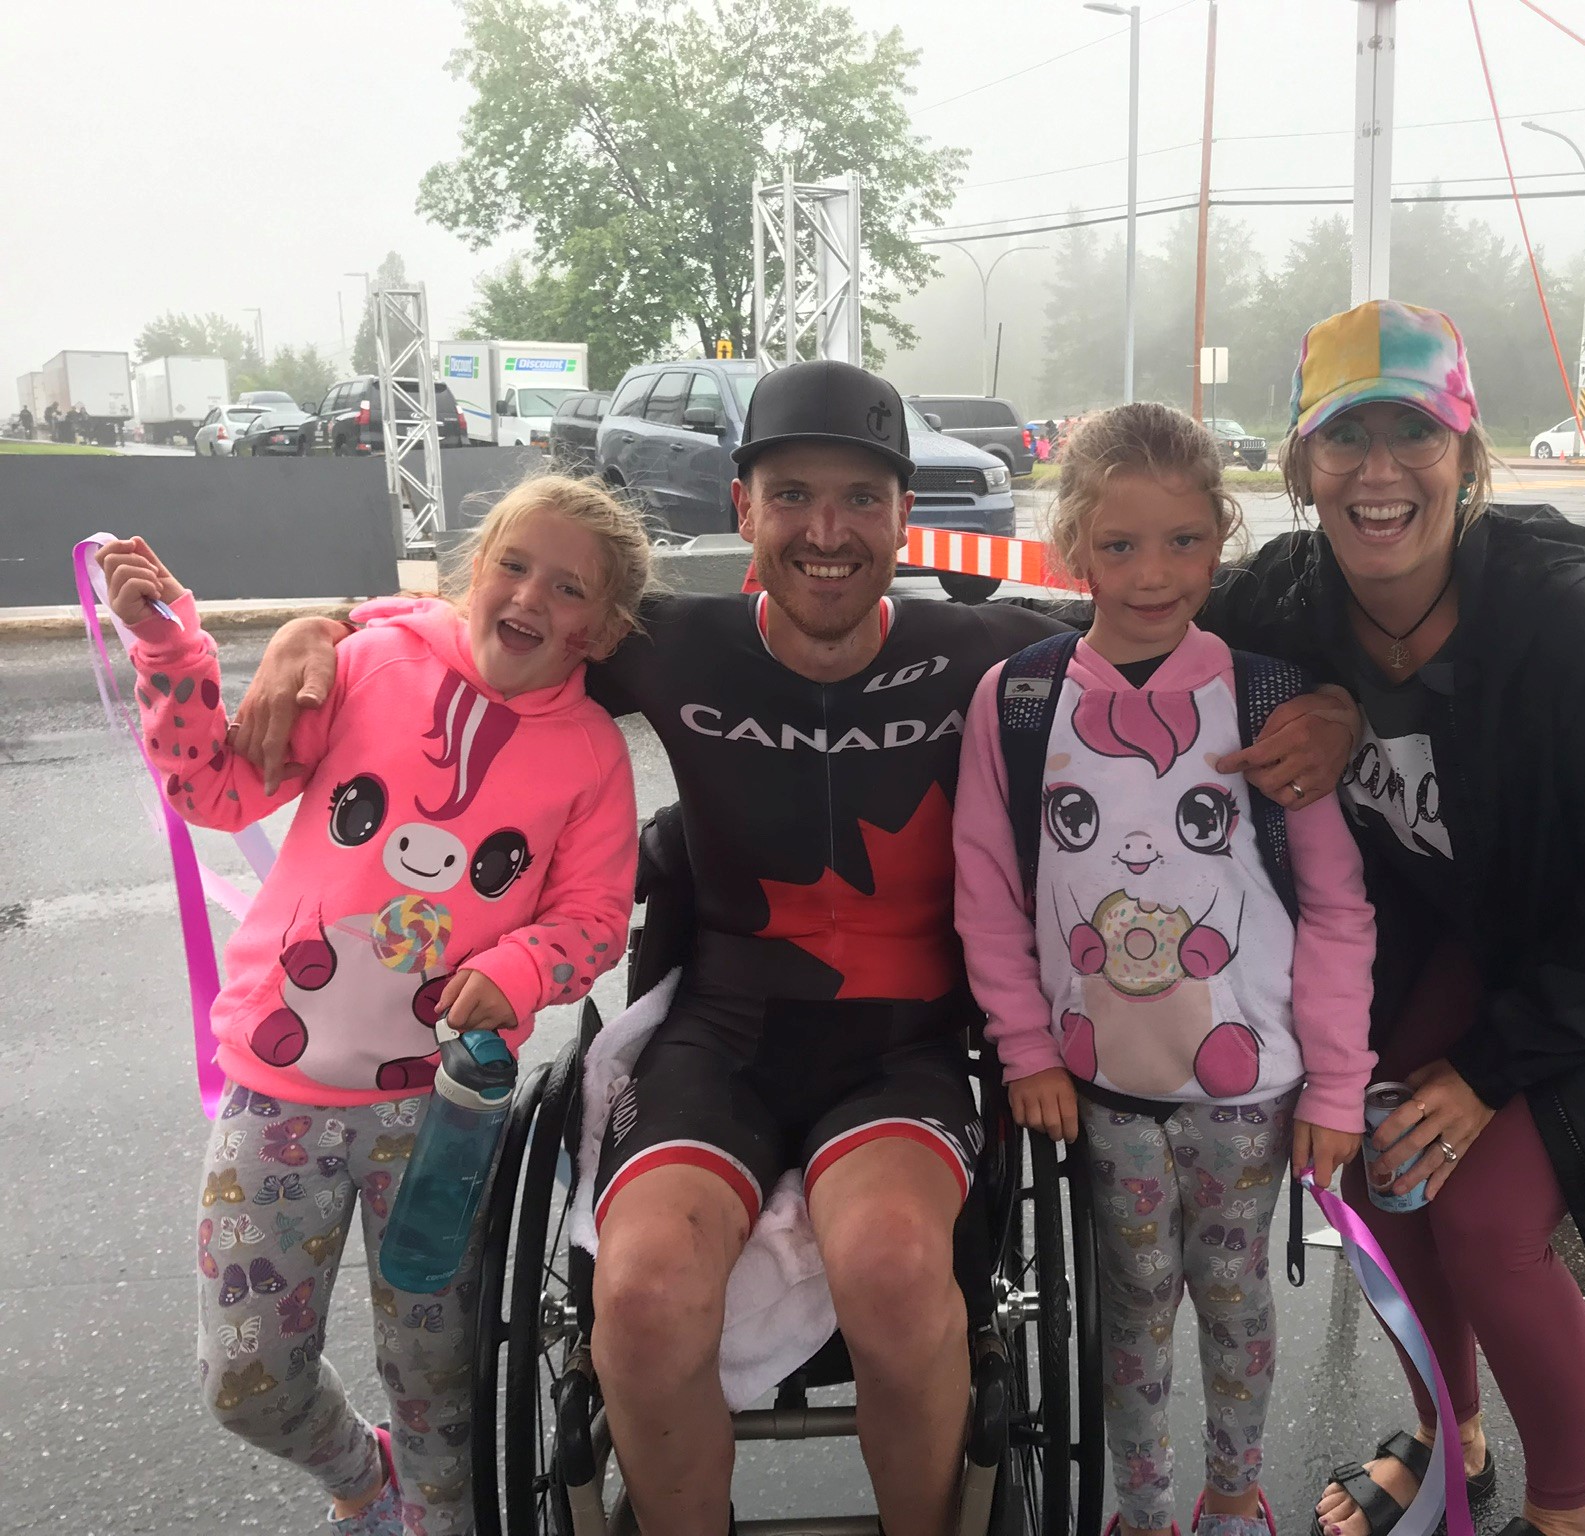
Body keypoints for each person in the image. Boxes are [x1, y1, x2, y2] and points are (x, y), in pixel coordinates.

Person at [236, 361, 1360, 1536]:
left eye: (860, 500)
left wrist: (1333, 707)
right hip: (718, 1033)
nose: (827, 531)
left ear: (898, 516)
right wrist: (327, 631)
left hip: (902, 1043)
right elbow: (504, 621)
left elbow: (1164, 609)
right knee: (644, 1290)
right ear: (742, 511)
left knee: (888, 1262)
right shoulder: (671, 642)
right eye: (792, 496)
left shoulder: (980, 647)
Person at [1186, 300, 1585, 1536]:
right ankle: (1450, 1441)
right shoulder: (1285, 602)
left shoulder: (1576, 628)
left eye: (1413, 435)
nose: (1378, 472)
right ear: (1297, 468)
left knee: (1484, 1221)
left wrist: (1485, 1072)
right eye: (1343, 438)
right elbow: (1127, 638)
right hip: (1506, 923)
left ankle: (1568, 1514)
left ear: (1467, 458)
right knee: (1377, 1152)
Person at [97, 474, 649, 1536]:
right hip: (277, 1095)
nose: (531, 595)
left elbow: (591, 919)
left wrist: (524, 969)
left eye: (569, 587)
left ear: (605, 627)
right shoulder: (364, 663)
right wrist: (173, 655)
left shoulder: (588, 759)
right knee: (244, 1384)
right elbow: (214, 792)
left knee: (441, 1389)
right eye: (514, 564)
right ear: (473, 571)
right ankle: (362, 1477)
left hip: (442, 1116)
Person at [953, 403, 1379, 1536]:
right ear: (1073, 549)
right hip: (1099, 1091)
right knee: (1134, 1307)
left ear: (1218, 539)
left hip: (1249, 1092)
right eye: (1122, 546)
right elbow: (988, 894)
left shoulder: (1265, 701)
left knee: (1234, 1301)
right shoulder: (1023, 702)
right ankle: (1139, 1515)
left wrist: (1337, 1086)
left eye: (1185, 542)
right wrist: (1026, 1048)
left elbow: (1335, 909)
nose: (1154, 574)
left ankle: (1231, 1501)